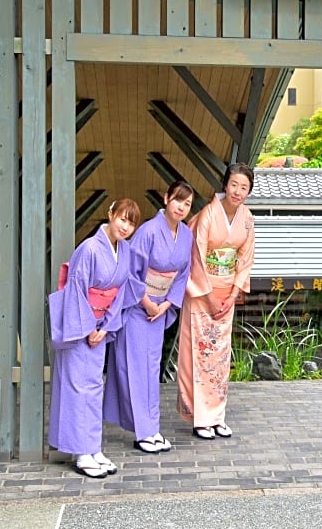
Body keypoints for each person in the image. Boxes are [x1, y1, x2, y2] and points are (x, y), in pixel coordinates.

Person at [47, 198, 143, 478]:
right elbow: (76, 288)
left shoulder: (124, 252)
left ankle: (92, 446)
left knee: (93, 387)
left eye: (132, 222)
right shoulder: (89, 248)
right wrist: (89, 327)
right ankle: (80, 452)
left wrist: (105, 326)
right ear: (110, 214)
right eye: (122, 219)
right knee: (78, 387)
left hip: (101, 327)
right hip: (80, 327)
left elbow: (123, 289)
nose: (126, 227)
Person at [105, 181, 195, 454]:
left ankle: (152, 428)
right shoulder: (147, 231)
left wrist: (167, 304)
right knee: (135, 369)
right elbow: (131, 273)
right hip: (137, 308)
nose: (181, 207)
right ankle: (142, 432)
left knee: (150, 370)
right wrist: (146, 302)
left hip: (159, 310)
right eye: (178, 200)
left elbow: (183, 273)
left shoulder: (187, 236)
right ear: (167, 198)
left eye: (188, 204)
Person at [177, 162, 255, 439]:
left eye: (244, 187)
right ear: (225, 184)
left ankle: (217, 414)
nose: (237, 191)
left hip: (227, 295)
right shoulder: (208, 214)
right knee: (199, 353)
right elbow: (196, 256)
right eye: (234, 184)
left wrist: (234, 294)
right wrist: (207, 295)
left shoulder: (247, 219)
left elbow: (245, 260)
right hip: (202, 292)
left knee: (220, 357)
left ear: (248, 192)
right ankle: (200, 417)